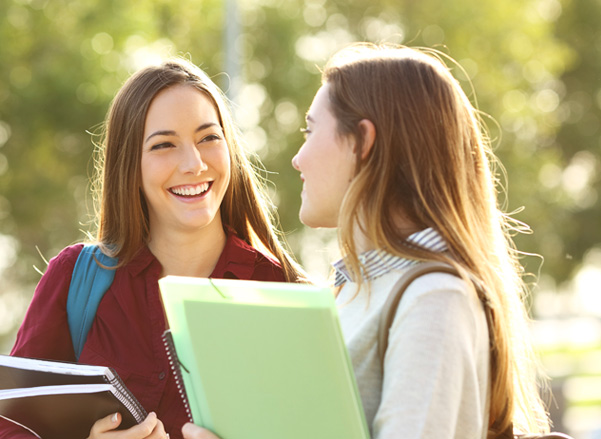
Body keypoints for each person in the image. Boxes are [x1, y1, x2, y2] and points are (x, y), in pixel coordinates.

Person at [182, 44, 551, 439]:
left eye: (310, 131)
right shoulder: (353, 290)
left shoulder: (434, 298)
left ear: (362, 141)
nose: (298, 158)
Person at [0, 58, 306, 439]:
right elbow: (11, 430)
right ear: (130, 166)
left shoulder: (285, 294)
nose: (193, 163)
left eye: (208, 137)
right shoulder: (77, 278)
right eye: (164, 145)